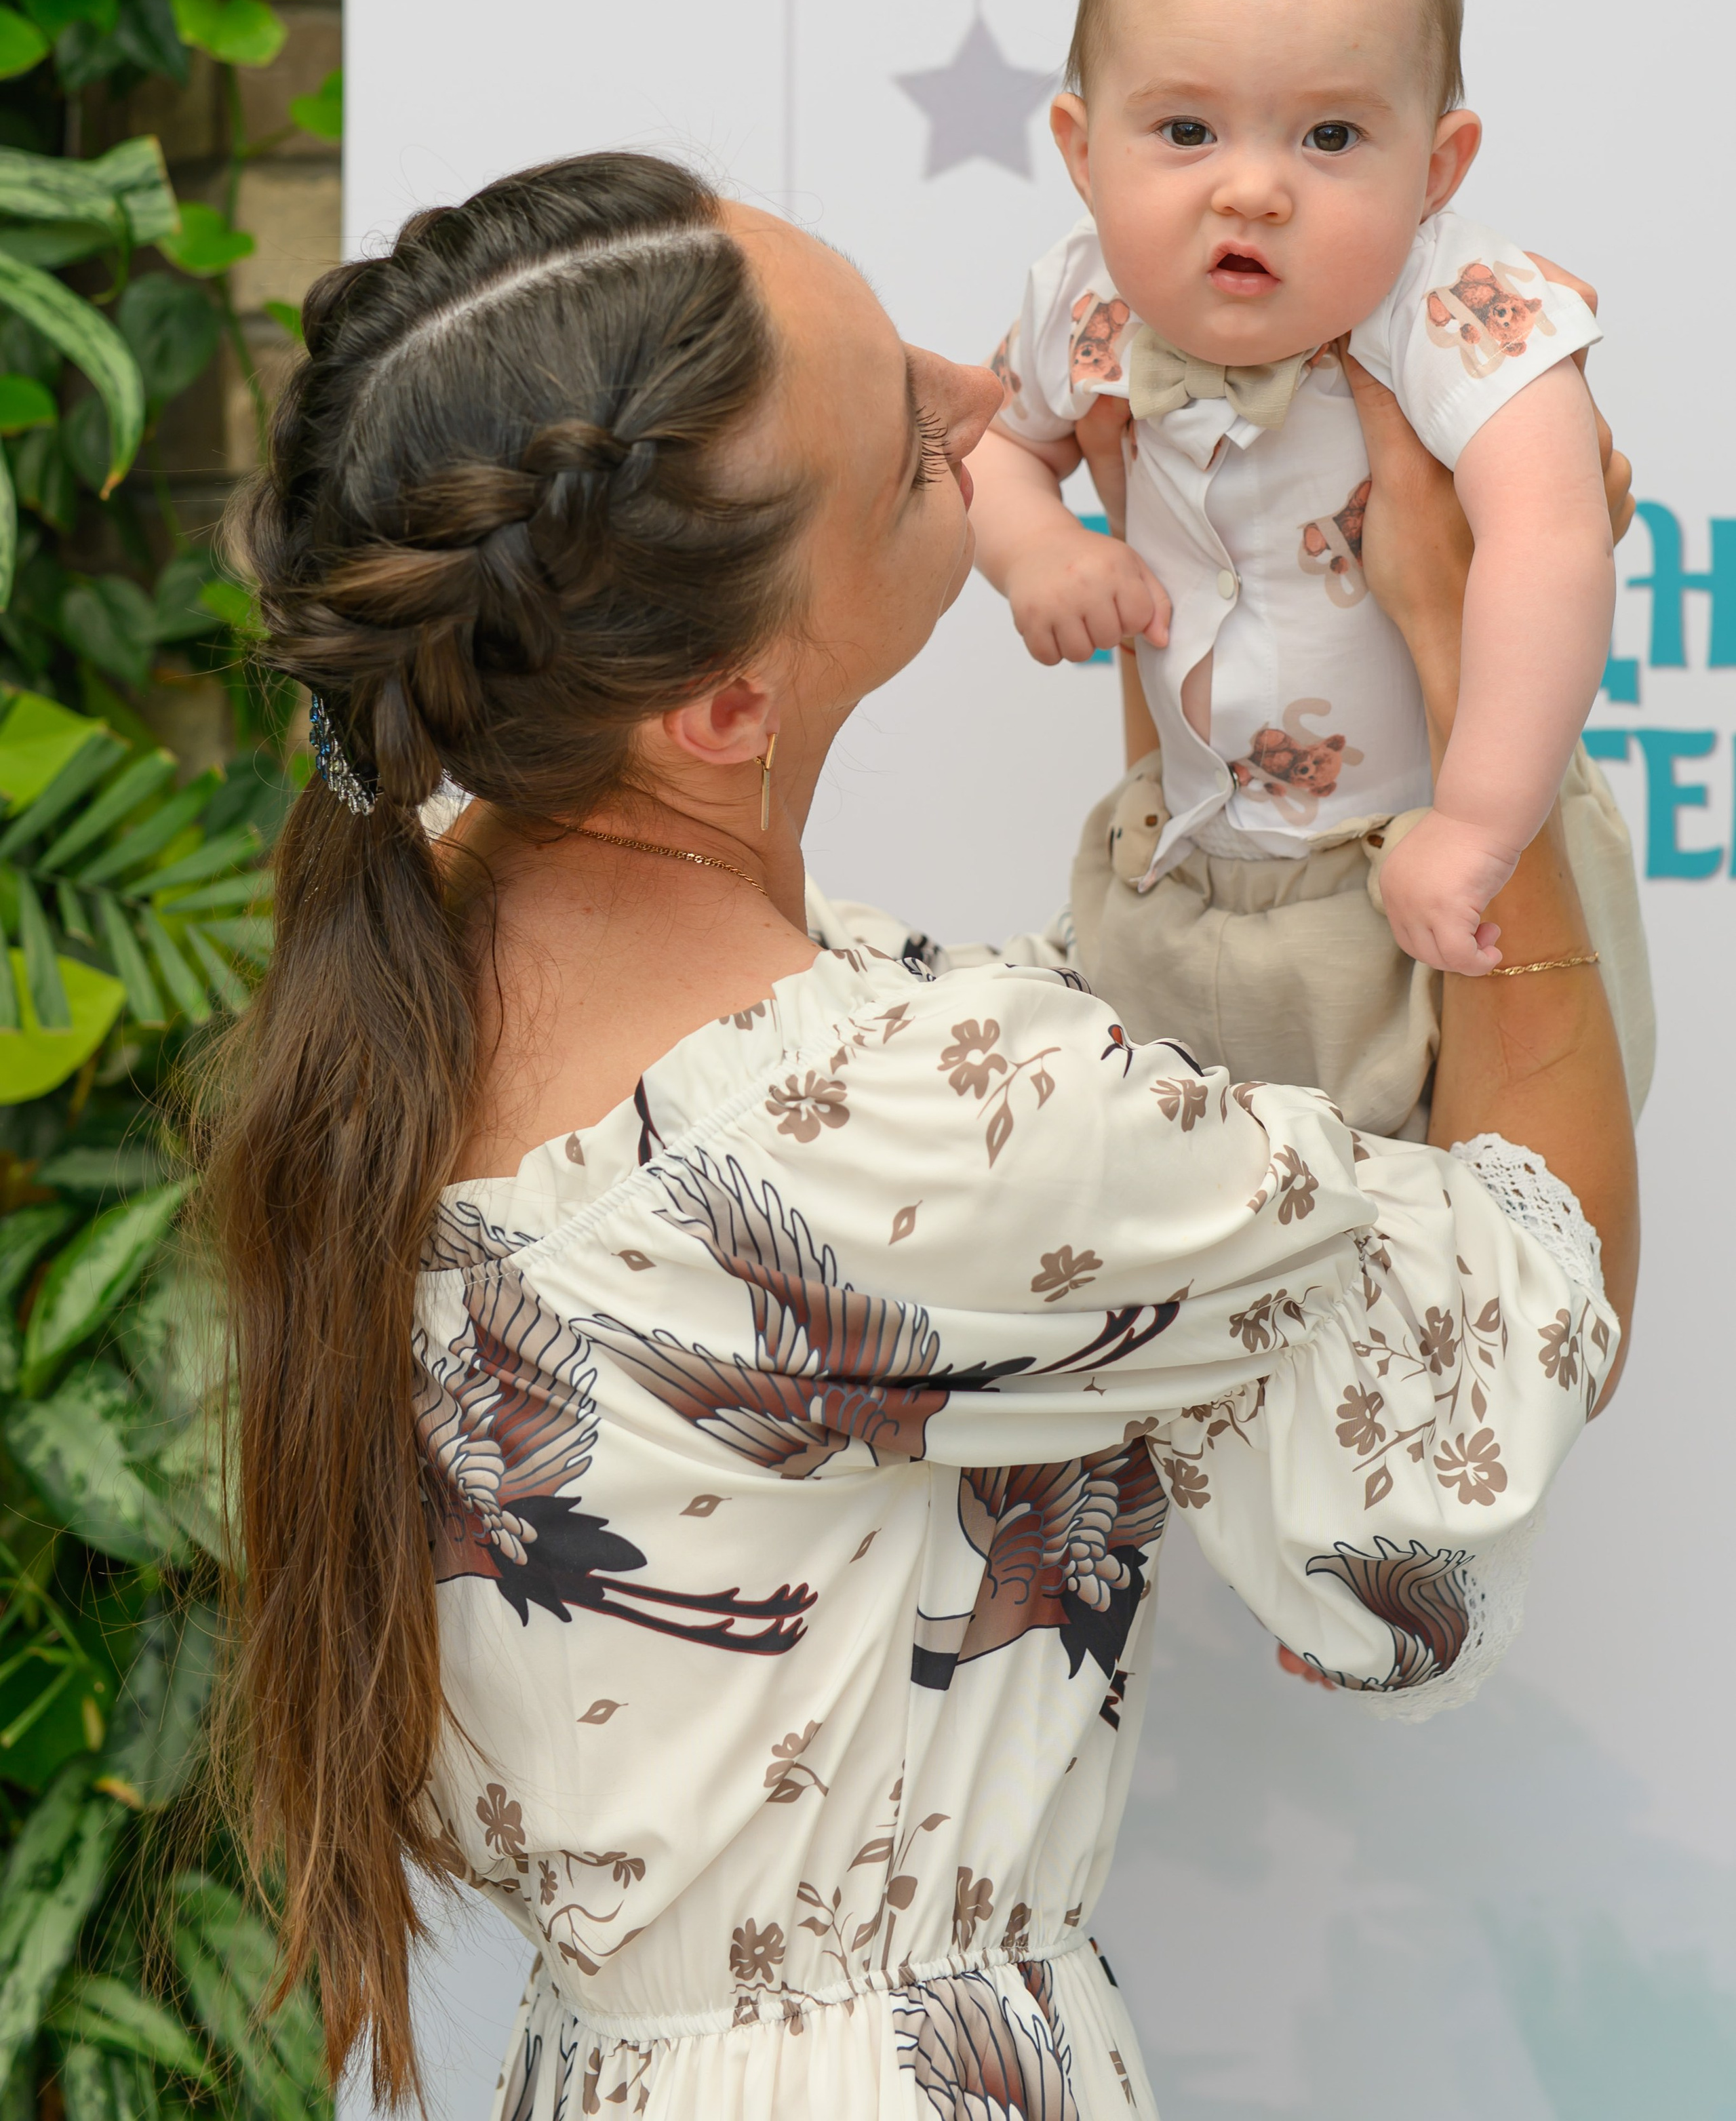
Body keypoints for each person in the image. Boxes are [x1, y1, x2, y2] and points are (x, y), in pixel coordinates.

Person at [205, 154, 1637, 2121]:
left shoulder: (426, 988)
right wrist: (1489, 687)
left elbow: (1129, 1146)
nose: (985, 403)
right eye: (907, 439)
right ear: (721, 707)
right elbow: (1515, 1319)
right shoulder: (909, 1124)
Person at [968, 0, 1651, 1138]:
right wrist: (1037, 549)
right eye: (1182, 128)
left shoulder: (1452, 305)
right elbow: (992, 443)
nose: (1252, 190)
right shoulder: (1083, 297)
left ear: (1434, 166)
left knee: (1454, 1208)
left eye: (1330, 139)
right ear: (1080, 144)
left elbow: (1549, 539)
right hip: (1185, 863)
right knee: (1203, 1201)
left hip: (1417, 859)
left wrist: (1478, 824)